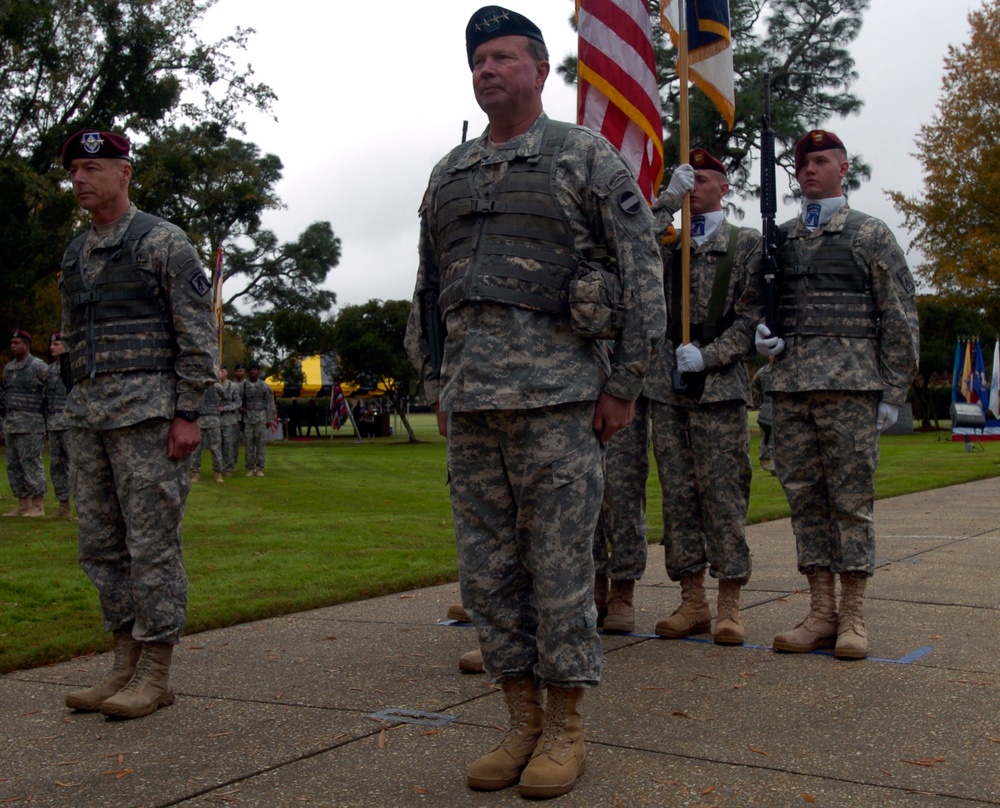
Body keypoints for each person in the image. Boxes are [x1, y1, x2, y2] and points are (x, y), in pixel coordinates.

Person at [405, 7, 665, 798]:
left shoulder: (585, 158)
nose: (489, 70)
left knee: (558, 575)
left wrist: (623, 383)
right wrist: (437, 384)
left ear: (541, 70)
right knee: (488, 577)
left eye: (505, 57)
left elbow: (642, 274)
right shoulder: (448, 174)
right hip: (474, 406)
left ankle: (566, 728)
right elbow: (427, 291)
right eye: (480, 59)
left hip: (558, 402)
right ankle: (518, 720)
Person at [58, 129, 216, 718]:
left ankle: (156, 671)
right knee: (99, 545)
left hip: (149, 418)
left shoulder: (163, 242)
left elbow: (198, 335)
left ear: (125, 172)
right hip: (90, 419)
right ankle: (122, 662)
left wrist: (188, 412)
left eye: (93, 167)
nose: (80, 178)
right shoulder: (75, 253)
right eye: (75, 169)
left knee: (151, 545)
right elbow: (75, 339)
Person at [755, 129, 919, 660]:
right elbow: (759, 306)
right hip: (791, 387)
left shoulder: (869, 234)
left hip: (850, 387)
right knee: (804, 501)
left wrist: (893, 387)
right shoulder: (778, 239)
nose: (809, 171)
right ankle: (820, 610)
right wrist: (763, 334)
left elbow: (899, 314)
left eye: (821, 161)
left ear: (843, 169)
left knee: (850, 502)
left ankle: (853, 615)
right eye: (802, 164)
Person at [644, 149, 762, 646]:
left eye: (705, 180)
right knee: (678, 496)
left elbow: (751, 316)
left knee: (723, 494)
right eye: (690, 180)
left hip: (718, 389)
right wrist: (666, 200)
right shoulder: (667, 243)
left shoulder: (745, 244)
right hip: (668, 387)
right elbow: (632, 239)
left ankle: (729, 601)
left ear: (724, 188)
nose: (696, 189)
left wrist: (710, 356)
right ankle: (692, 598)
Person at [3, 329, 48, 517]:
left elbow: (52, 388)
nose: (13, 346)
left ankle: (38, 505)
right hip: (12, 424)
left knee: (31, 462)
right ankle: (23, 503)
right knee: (13, 464)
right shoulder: (9, 368)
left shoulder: (38, 366)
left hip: (30, 424)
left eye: (17, 343)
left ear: (26, 345)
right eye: (12, 343)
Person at [45, 333, 76, 519]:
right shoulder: (49, 371)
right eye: (51, 344)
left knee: (75, 463)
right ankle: (63, 506)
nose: (52, 348)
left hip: (69, 422)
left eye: (56, 344)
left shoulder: (74, 366)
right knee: (56, 465)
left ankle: (82, 506)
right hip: (54, 423)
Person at [189, 372, 225, 482]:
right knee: (196, 449)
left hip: (213, 419)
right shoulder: (196, 385)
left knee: (215, 448)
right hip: (199, 419)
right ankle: (195, 473)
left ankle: (218, 473)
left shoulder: (216, 386)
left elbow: (225, 395)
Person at [241, 362, 276, 476]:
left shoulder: (264, 386)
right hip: (248, 419)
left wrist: (270, 419)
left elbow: (270, 402)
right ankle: (250, 468)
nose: (253, 372)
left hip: (261, 418)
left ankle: (260, 468)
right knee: (249, 444)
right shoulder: (244, 386)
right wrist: (241, 409)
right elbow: (237, 400)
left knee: (261, 444)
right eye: (251, 370)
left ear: (258, 372)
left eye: (255, 370)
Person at [750, 359, 776, 474]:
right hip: (768, 410)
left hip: (770, 408)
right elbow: (754, 390)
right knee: (767, 437)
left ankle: (773, 464)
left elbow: (754, 390)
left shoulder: (762, 372)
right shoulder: (761, 372)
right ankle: (767, 463)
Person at [217, 365, 241, 477]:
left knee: (228, 444)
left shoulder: (233, 386)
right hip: (215, 419)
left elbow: (238, 402)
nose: (220, 373)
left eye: (222, 371)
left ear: (226, 372)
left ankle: (229, 467)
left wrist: (225, 408)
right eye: (218, 371)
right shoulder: (213, 386)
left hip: (228, 419)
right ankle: (219, 467)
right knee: (217, 444)